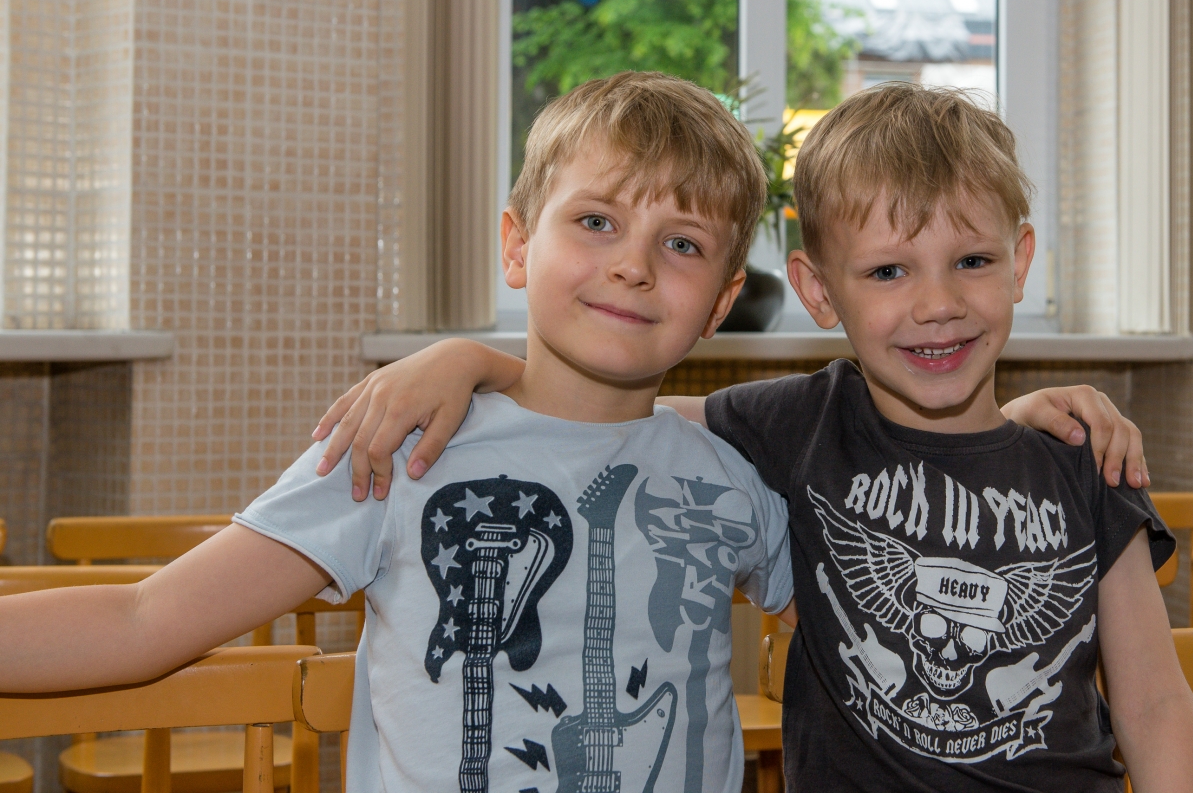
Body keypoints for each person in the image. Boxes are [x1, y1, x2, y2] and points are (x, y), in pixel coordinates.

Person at [312, 83, 1193, 792]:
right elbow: (609, 419)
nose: (937, 303)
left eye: (972, 261)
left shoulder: (1083, 463)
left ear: (1019, 263)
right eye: (888, 271)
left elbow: (1155, 706)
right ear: (818, 291)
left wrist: (1019, 428)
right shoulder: (800, 424)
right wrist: (470, 361)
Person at [0, 72, 800, 793]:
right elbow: (145, 618)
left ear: (721, 303)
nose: (634, 265)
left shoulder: (729, 476)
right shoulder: (403, 443)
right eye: (596, 221)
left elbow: (848, 634)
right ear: (518, 246)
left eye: (682, 243)